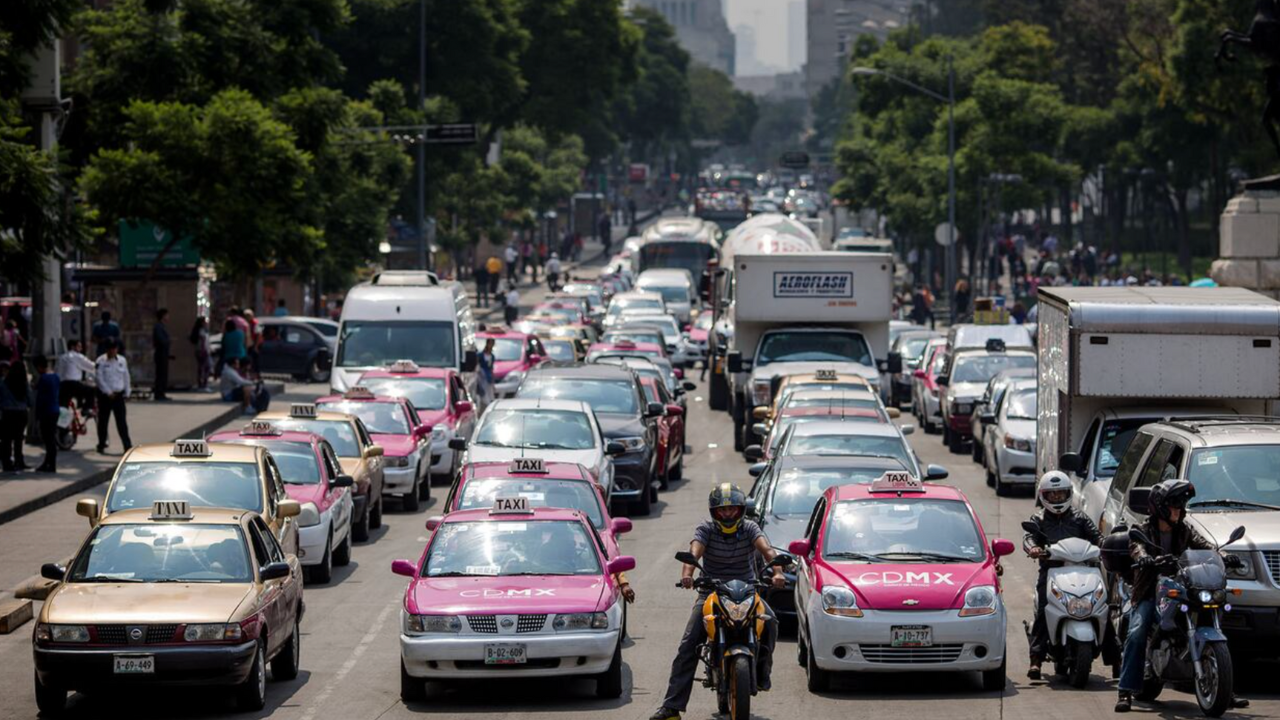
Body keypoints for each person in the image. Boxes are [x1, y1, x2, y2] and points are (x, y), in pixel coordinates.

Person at [650, 484, 783, 720]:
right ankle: (671, 708)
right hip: (711, 592)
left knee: (771, 622)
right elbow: (694, 552)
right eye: (723, 510)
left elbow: (768, 551)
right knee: (688, 644)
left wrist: (778, 572)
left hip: (747, 591)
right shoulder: (706, 529)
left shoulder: (750, 528)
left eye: (732, 509)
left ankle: (763, 672)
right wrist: (687, 575)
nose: (728, 514)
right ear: (714, 512)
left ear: (741, 510)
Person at [1115, 480, 1247, 712]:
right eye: (1175, 505)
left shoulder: (1185, 530)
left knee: (1211, 617)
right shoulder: (1144, 531)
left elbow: (1206, 547)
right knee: (1137, 631)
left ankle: (1224, 689)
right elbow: (1136, 547)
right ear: (1161, 507)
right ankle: (1125, 690)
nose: (1179, 509)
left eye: (1182, 505)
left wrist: (1224, 556)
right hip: (1150, 589)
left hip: (1183, 586)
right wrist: (1144, 558)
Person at [1023, 472, 1106, 680]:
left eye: (1061, 494)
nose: (1058, 499)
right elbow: (1029, 537)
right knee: (1043, 609)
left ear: (1069, 494)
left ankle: (1116, 658)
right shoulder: (1038, 519)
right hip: (1051, 571)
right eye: (1053, 495)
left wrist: (1106, 545)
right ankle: (1036, 659)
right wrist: (1033, 548)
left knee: (1102, 606)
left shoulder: (1079, 517)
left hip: (1082, 570)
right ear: (1043, 497)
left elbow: (1097, 536)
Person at [94, 339, 133, 454]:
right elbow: (99, 378)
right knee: (103, 422)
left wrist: (127, 392)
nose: (112, 351)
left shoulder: (122, 360)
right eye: (110, 349)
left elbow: (126, 376)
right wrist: (108, 392)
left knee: (122, 422)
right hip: (106, 396)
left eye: (114, 349)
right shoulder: (101, 361)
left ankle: (127, 445)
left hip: (118, 395)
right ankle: (101, 443)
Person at [33, 355, 60, 473]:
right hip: (55, 410)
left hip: (46, 412)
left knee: (48, 440)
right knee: (51, 438)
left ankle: (51, 465)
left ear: (39, 367)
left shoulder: (43, 379)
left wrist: (37, 415)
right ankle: (48, 463)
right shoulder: (55, 376)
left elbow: (40, 399)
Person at [56, 339, 96, 409]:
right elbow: (91, 366)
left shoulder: (61, 357)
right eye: (79, 346)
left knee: (63, 407)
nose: (81, 349)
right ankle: (85, 409)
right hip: (73, 384)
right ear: (72, 347)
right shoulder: (76, 356)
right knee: (90, 391)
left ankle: (65, 416)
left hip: (62, 385)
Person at [152, 308, 172, 401]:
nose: (168, 317)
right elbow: (161, 340)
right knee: (160, 374)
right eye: (167, 315)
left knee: (163, 374)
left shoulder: (161, 327)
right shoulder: (158, 327)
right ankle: (159, 393)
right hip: (160, 354)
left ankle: (161, 393)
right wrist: (168, 341)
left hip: (163, 353)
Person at [189, 317, 213, 392]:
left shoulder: (201, 331)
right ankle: (203, 384)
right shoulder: (201, 332)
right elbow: (203, 343)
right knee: (206, 368)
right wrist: (205, 351)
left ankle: (201, 384)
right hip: (203, 351)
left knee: (202, 368)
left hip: (200, 351)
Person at [475, 338, 496, 411]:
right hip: (481, 377)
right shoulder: (480, 355)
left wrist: (493, 382)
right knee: (483, 395)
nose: (491, 346)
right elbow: (477, 366)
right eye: (490, 344)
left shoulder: (492, 356)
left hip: (488, 378)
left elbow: (491, 369)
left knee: (490, 395)